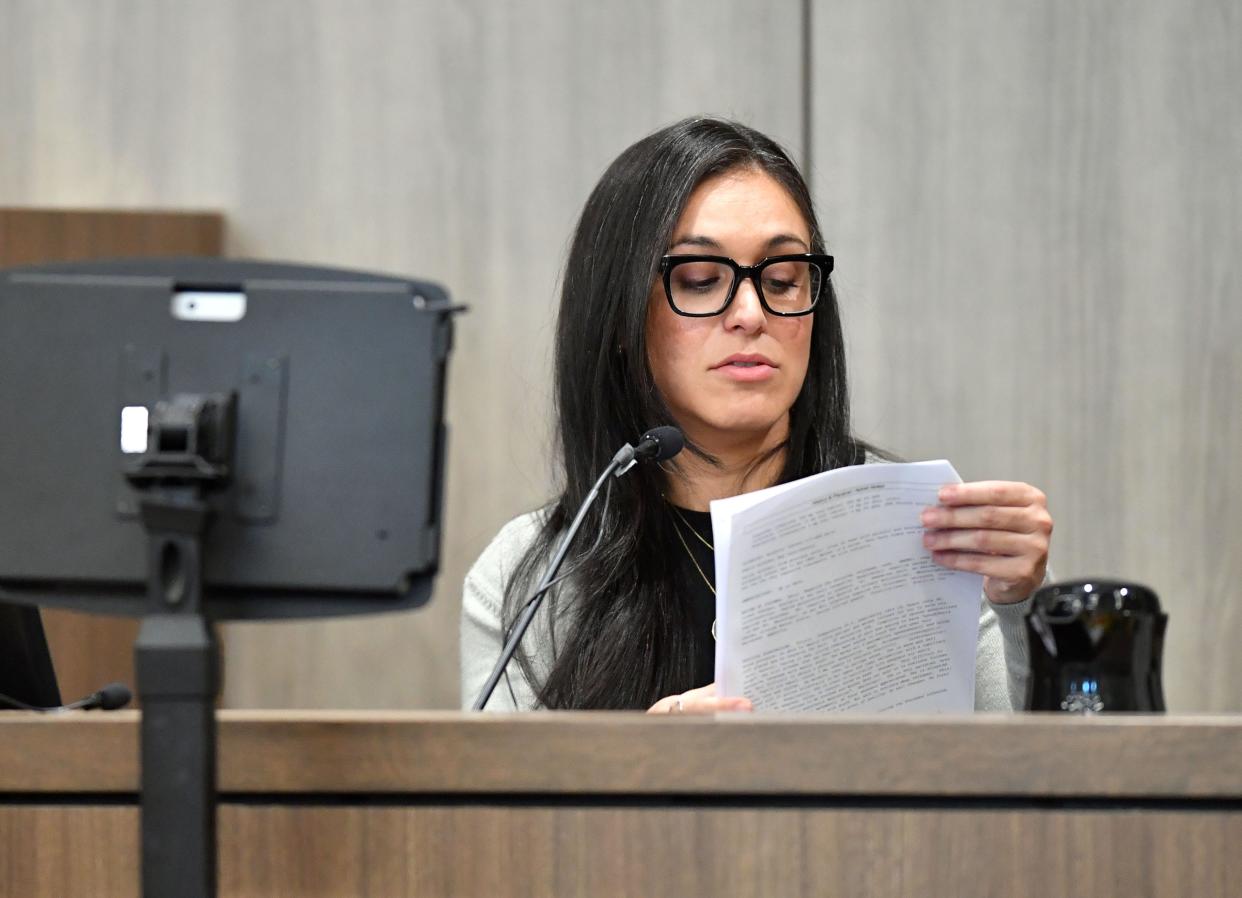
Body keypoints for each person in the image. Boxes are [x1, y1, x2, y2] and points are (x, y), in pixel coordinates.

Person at [461, 117, 1051, 713]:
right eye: (698, 280)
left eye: (782, 278)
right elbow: (494, 806)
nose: (751, 313)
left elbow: (1036, 782)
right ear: (620, 316)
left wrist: (1020, 605)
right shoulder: (531, 577)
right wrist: (641, 770)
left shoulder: (919, 528)